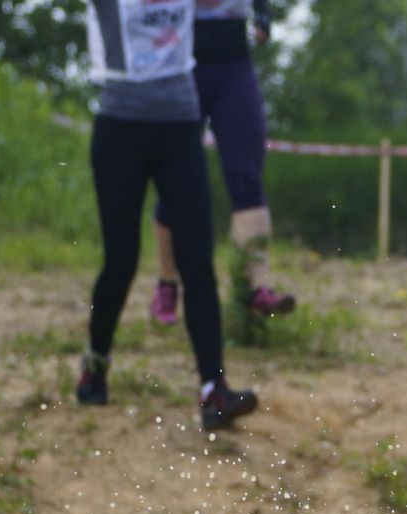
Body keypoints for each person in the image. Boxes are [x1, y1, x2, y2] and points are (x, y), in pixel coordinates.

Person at [75, 0, 258, 430]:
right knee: (121, 260)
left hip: (179, 127)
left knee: (197, 260)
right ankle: (96, 364)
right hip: (119, 127)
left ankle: (213, 389)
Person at [146, 0, 297, 328]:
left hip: (233, 63)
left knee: (246, 176)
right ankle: (168, 284)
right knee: (176, 177)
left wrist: (263, 14)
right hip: (182, 60)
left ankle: (258, 288)